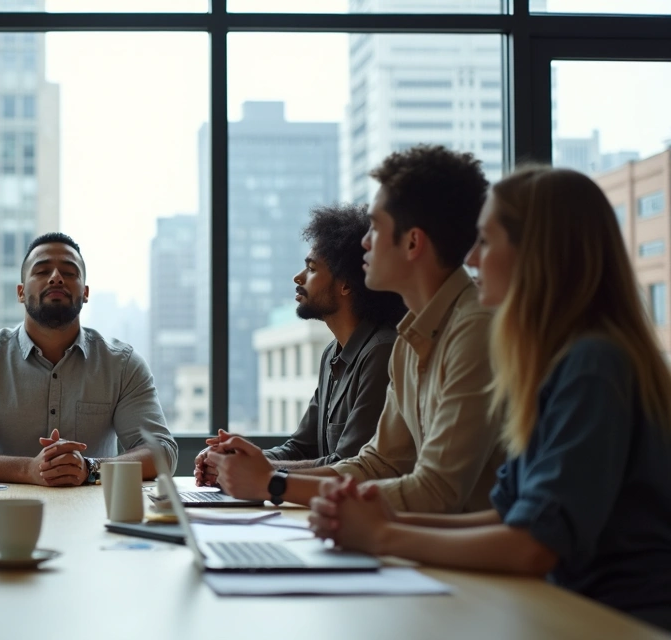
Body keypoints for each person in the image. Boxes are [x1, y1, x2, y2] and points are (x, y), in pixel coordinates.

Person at [310, 166, 671, 631]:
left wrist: (384, 534)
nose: (473, 259)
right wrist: (383, 519)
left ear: (536, 255)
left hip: (618, 620)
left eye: (485, 242)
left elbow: (532, 544)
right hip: (570, 608)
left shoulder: (594, 366)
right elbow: (505, 517)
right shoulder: (560, 362)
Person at [205, 145, 506, 513]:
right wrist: (265, 477)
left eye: (376, 228)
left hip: (466, 561)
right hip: (427, 550)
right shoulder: (411, 338)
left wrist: (273, 482)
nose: (364, 242)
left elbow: (438, 490)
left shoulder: (474, 331)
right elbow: (376, 465)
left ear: (412, 241)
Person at [0, 232, 178, 486]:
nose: (56, 278)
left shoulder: (122, 364)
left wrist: (89, 468)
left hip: (94, 516)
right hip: (3, 513)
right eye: (41, 271)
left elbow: (162, 451)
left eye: (70, 273)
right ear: (20, 292)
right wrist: (27, 469)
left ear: (85, 292)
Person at [195, 204, 405, 478]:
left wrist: (257, 470)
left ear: (346, 285)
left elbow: (349, 463)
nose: (298, 277)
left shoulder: (382, 352)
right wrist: (233, 458)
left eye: (311, 268)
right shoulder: (332, 353)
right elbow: (301, 448)